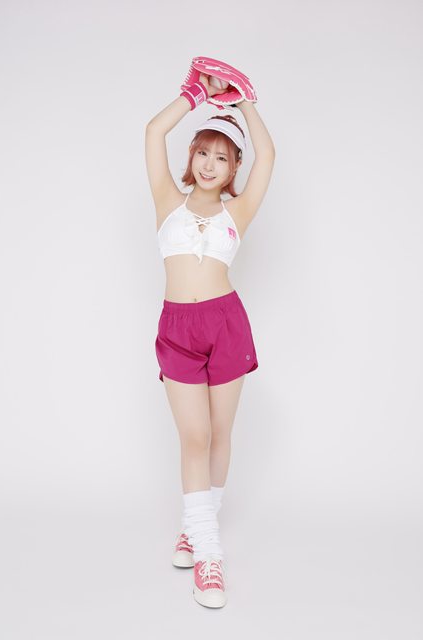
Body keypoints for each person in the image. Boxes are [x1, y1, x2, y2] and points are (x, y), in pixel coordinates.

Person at [145, 70, 276, 608]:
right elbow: (154, 131)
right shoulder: (167, 201)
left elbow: (268, 155)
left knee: (220, 432)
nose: (209, 164)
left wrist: (244, 102)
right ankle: (209, 556)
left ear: (233, 168)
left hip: (226, 324)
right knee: (194, 436)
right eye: (203, 152)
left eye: (222, 158)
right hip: (178, 328)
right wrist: (195, 94)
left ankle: (196, 530)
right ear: (192, 156)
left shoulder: (237, 212)